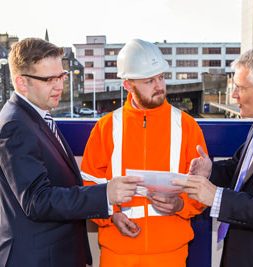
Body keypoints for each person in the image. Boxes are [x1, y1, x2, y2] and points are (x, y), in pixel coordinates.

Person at [0, 38, 142, 267]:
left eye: (61, 76)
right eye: (49, 79)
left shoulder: (34, 116)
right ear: (21, 83)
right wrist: (105, 194)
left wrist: (108, 210)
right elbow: (38, 201)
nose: (59, 86)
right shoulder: (15, 126)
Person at [81, 38, 208, 267]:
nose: (159, 86)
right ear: (128, 85)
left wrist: (181, 205)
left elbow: (200, 189)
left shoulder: (188, 127)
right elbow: (89, 184)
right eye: (149, 80)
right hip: (118, 253)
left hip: (171, 255)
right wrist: (111, 215)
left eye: (161, 77)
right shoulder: (106, 127)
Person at [174, 45, 253, 267]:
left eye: (240, 87)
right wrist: (210, 171)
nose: (233, 95)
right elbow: (241, 170)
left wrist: (216, 198)